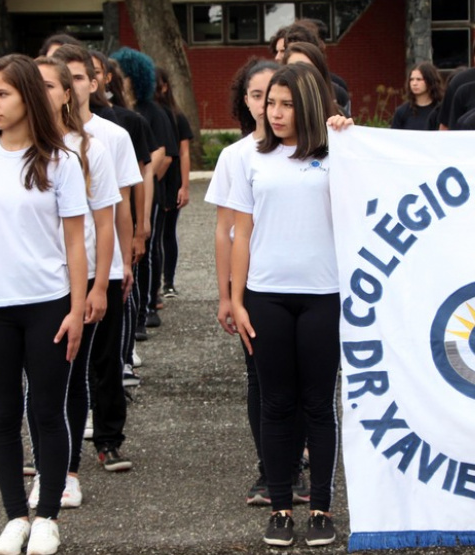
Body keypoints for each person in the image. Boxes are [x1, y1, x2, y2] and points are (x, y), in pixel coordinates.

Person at [0, 53, 88, 555]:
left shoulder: (61, 162)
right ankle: (15, 516)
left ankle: (48, 514)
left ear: (28, 96)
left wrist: (76, 309)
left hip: (47, 304)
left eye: (2, 93)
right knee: (2, 413)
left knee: (47, 412)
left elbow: (77, 242)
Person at [228, 63, 340, 547]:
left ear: (309, 105)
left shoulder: (340, 153)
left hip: (323, 296)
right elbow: (241, 232)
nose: (274, 113)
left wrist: (348, 131)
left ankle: (319, 507)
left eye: (286, 104)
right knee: (275, 404)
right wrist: (234, 298)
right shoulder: (251, 157)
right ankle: (279, 508)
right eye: (270, 102)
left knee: (318, 404)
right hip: (265, 295)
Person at [205, 58, 309, 507]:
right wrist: (227, 294)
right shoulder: (236, 155)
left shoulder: (314, 148)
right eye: (257, 96)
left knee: (306, 382)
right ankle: (272, 470)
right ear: (246, 101)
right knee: (262, 381)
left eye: (276, 97)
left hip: (304, 283)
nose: (267, 106)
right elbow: (226, 231)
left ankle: (298, 468)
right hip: (254, 285)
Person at [25, 56, 121, 510]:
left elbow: (105, 226)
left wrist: (100, 286)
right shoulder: (14, 148)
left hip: (76, 282)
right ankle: (44, 466)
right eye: (34, 85)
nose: (41, 93)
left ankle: (67, 473)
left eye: (49, 85)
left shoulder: (90, 149)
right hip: (30, 284)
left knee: (72, 376)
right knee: (35, 383)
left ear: (68, 93)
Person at [52, 44, 142, 466]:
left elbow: (118, 205)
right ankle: (52, 444)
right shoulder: (34, 137)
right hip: (52, 270)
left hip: (98, 261)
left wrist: (125, 260)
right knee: (52, 362)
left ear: (92, 82)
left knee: (105, 356)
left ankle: (108, 438)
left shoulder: (110, 137)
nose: (70, 85)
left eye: (77, 76)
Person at [112, 47, 176, 332]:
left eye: (125, 75)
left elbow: (162, 152)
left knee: (147, 251)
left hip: (150, 193)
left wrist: (144, 181)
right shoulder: (121, 112)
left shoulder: (153, 111)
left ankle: (149, 304)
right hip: (126, 195)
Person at [155, 67, 194, 298]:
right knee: (154, 234)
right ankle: (154, 286)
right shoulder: (144, 113)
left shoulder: (176, 116)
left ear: (165, 86)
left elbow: (185, 153)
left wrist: (185, 186)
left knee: (168, 232)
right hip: (156, 177)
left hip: (171, 180)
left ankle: (168, 282)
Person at [391, 62, 444, 131]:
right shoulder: (402, 112)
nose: (414, 83)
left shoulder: (441, 110)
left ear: (430, 80)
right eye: (411, 79)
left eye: (419, 79)